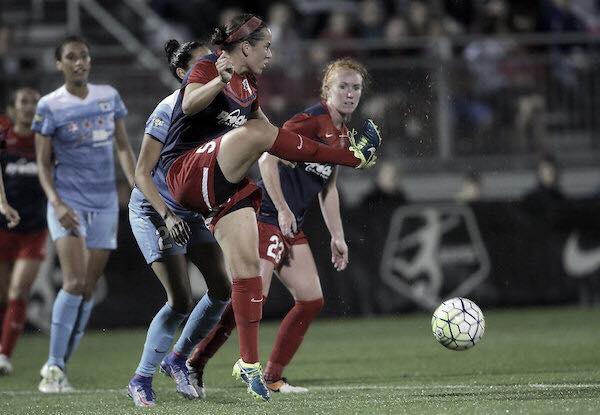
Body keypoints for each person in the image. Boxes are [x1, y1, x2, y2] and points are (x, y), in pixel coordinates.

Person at [159, 14, 381, 401]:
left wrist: (337, 233)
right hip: (185, 172)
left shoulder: (250, 85)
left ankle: (250, 366)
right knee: (263, 136)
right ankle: (195, 358)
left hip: (222, 188)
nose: (271, 54)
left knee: (250, 282)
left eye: (356, 87)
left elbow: (273, 138)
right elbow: (192, 104)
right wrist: (219, 80)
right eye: (266, 47)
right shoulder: (210, 65)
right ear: (245, 47)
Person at [126, 40, 231, 408]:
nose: (210, 66)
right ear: (182, 74)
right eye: (202, 62)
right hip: (155, 209)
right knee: (181, 299)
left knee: (222, 287)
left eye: (212, 59)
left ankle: (177, 360)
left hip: (188, 210)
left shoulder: (218, 107)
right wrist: (168, 216)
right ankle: (141, 379)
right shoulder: (168, 109)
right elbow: (141, 172)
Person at [32, 35, 136, 392]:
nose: (80, 62)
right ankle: (53, 366)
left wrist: (135, 182)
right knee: (74, 282)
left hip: (105, 203)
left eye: (84, 56)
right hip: (68, 203)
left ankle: (61, 368)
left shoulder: (108, 97)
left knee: (88, 289)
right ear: (59, 64)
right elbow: (43, 165)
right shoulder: (49, 105)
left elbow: (123, 145)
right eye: (72, 57)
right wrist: (57, 204)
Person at [0, 87, 46, 375]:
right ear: (13, 109)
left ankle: (4, 355)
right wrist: (2, 203)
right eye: (24, 102)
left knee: (19, 291)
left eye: (35, 103)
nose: (30, 107)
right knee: (3, 296)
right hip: (3, 226)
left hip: (34, 229)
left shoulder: (45, 137)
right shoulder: (4, 134)